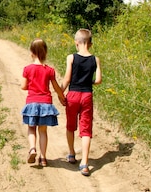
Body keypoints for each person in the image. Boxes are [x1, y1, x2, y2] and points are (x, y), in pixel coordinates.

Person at [61, 29, 102, 176]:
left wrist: (60, 93)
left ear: (76, 43)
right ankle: (84, 163)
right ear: (90, 44)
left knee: (70, 126)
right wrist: (88, 81)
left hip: (72, 95)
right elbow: (98, 80)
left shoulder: (71, 58)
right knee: (86, 130)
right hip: (87, 95)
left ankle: (72, 154)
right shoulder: (95, 59)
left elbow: (67, 79)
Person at [21, 38, 66, 167]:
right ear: (45, 52)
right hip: (46, 103)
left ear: (31, 52)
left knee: (31, 128)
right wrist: (61, 96)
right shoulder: (50, 70)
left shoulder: (27, 69)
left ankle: (32, 149)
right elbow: (56, 87)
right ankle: (43, 158)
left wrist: (29, 83)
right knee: (43, 131)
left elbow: (24, 86)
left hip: (32, 102)